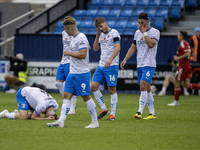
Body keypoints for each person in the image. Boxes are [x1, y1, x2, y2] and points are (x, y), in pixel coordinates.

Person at [47, 16, 99, 128]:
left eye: (66, 29)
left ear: (70, 28)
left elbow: (83, 54)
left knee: (86, 98)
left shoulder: (81, 38)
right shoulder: (74, 38)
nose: (65, 31)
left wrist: (69, 54)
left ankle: (95, 122)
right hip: (72, 73)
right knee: (66, 96)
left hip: (81, 74)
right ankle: (61, 121)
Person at [120, 12, 160, 119]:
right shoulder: (137, 33)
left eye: (142, 22)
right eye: (138, 22)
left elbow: (151, 44)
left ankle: (139, 112)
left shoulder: (155, 31)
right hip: (140, 64)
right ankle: (152, 114)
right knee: (146, 88)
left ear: (147, 22)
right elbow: (133, 47)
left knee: (143, 85)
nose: (140, 25)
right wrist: (125, 59)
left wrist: (144, 33)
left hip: (150, 64)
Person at [91, 17, 121, 121]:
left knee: (111, 89)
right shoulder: (100, 35)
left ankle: (112, 115)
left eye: (101, 26)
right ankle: (104, 109)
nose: (100, 28)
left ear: (105, 23)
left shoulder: (114, 33)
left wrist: (110, 59)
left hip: (112, 65)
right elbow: (95, 48)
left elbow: (118, 47)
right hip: (101, 65)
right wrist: (97, 35)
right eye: (98, 27)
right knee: (93, 86)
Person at [168, 31, 200, 106]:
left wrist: (178, 58)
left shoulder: (183, 44)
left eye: (179, 35)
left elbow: (187, 54)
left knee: (177, 82)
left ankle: (176, 102)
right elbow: (189, 52)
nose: (177, 36)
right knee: (187, 85)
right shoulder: (186, 44)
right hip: (188, 65)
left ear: (182, 36)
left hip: (183, 66)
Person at [55, 17, 77, 115]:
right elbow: (65, 46)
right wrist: (62, 57)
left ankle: (72, 107)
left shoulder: (76, 35)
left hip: (70, 62)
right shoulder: (64, 33)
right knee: (58, 83)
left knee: (70, 84)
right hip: (63, 61)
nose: (65, 29)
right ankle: (68, 100)